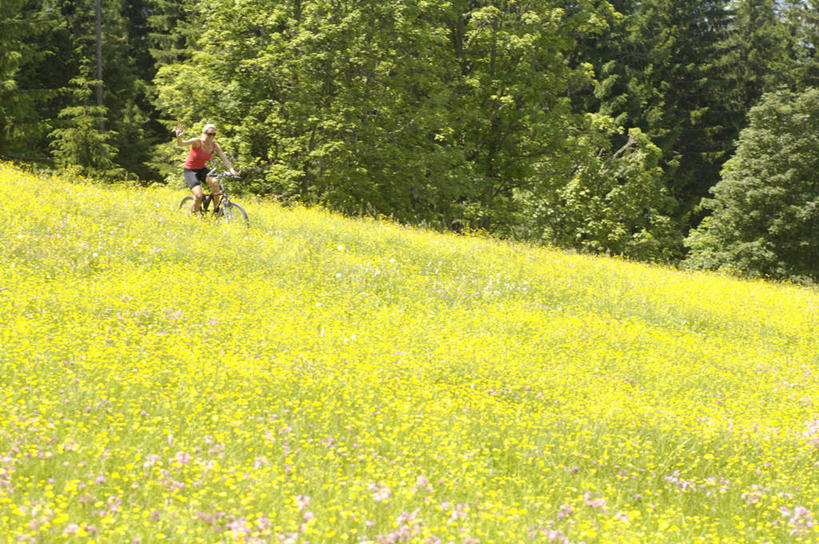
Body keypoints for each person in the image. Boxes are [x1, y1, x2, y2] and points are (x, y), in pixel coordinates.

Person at [175, 123, 238, 214]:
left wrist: (232, 170)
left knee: (215, 182)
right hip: (190, 170)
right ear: (204, 133)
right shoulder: (197, 142)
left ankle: (216, 212)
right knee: (198, 195)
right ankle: (192, 215)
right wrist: (179, 137)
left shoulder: (214, 146)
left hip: (202, 169)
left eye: (214, 134)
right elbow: (181, 144)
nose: (212, 136)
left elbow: (225, 159)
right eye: (209, 134)